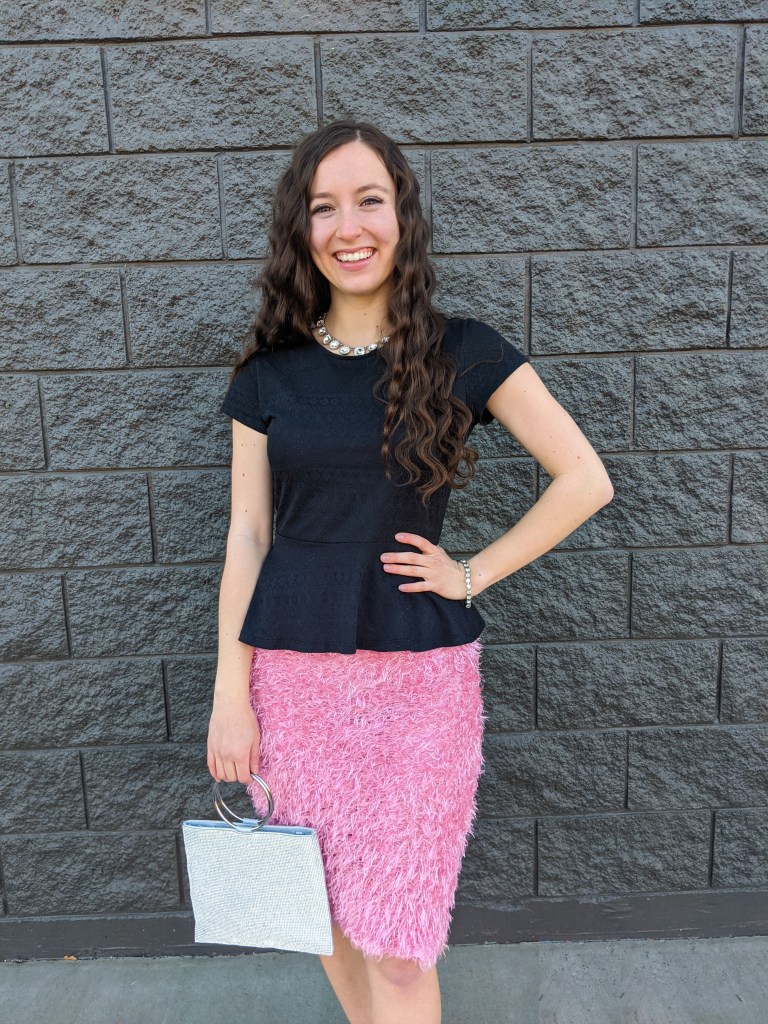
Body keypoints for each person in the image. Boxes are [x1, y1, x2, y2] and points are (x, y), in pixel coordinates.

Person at [208, 119, 614, 1024]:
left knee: (398, 945)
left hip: (420, 692)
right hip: (294, 685)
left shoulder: (461, 349)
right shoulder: (267, 374)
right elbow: (246, 536)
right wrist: (229, 693)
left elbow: (585, 479)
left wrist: (472, 573)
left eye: (369, 200)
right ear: (301, 231)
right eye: (323, 207)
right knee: (331, 923)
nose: (348, 226)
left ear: (403, 215)